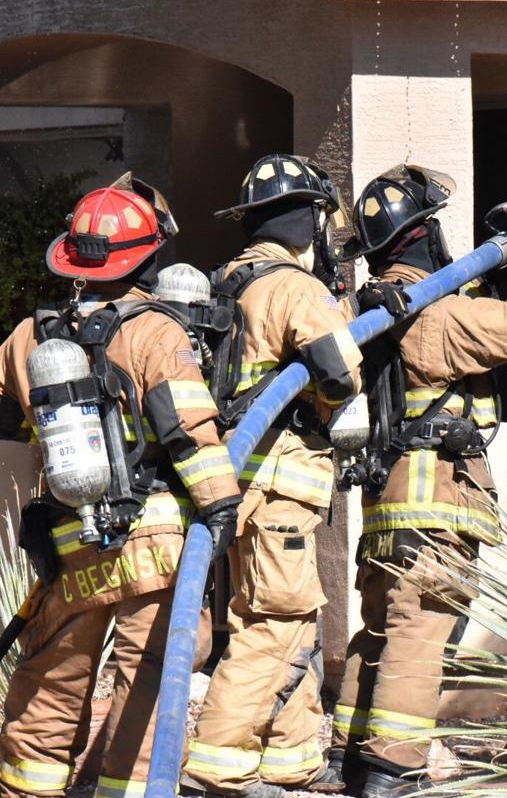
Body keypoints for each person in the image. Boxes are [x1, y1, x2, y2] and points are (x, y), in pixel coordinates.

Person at [0, 174, 241, 798]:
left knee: (55, 671)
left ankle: (25, 786)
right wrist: (221, 506)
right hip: (148, 541)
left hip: (70, 544)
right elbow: (188, 433)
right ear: (149, 257)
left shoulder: (30, 335)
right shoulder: (158, 331)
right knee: (147, 672)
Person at [323, 164, 507, 798]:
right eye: (433, 227)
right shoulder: (434, 316)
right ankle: (391, 771)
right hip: (436, 504)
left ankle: (352, 757)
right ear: (420, 235)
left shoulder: (376, 311)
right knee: (421, 630)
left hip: (388, 506)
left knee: (382, 626)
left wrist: (489, 265)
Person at [180, 154, 363, 798]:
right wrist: (349, 319)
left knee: (289, 617)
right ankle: (216, 761)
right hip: (281, 483)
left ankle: (288, 757)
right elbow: (340, 375)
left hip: (235, 486)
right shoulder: (294, 287)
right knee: (276, 623)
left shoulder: (226, 280)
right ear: (306, 222)